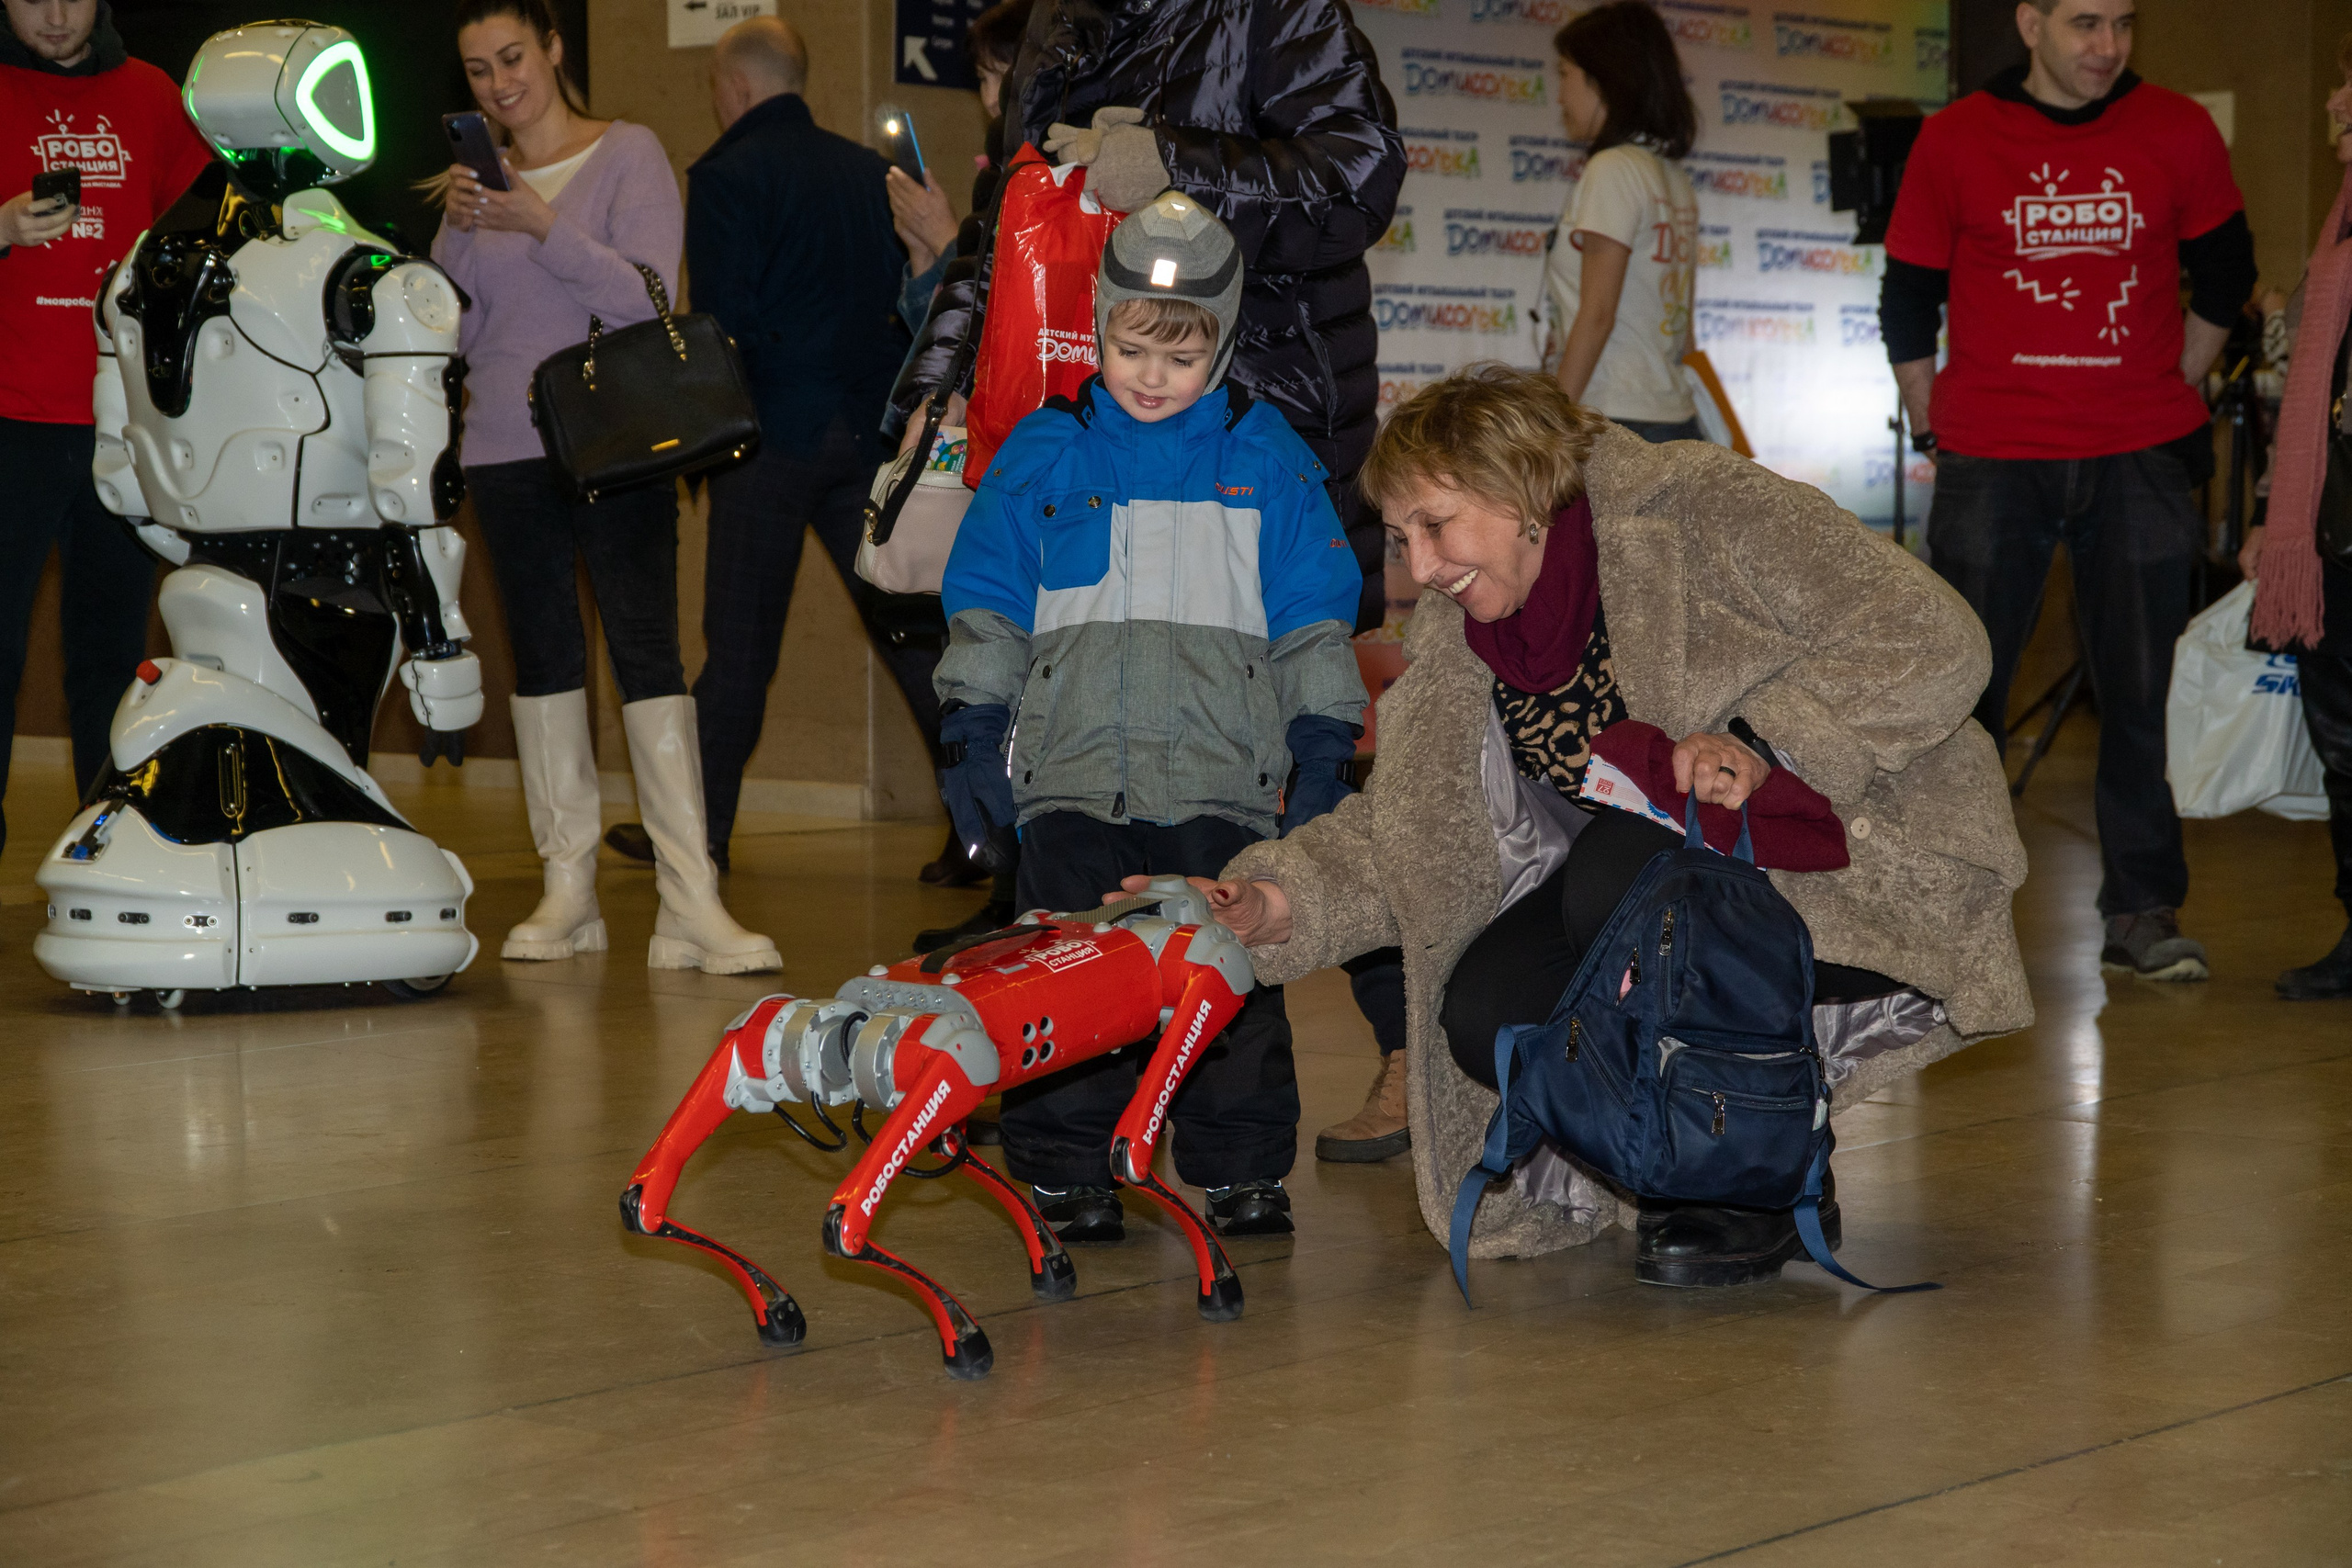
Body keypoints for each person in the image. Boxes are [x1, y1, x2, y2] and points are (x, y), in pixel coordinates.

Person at [1134, 364, 2030, 1286]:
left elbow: (1932, 634)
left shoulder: (1698, 507)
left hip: (1850, 846)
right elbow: (1407, 828)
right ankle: (1678, 1155)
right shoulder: (1456, 638)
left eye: (1433, 525)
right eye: (1401, 538)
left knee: (1622, 879)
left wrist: (1763, 745)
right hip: (1651, 885)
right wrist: (1276, 899)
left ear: (1517, 487)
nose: (1421, 566)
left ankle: (1749, 1179)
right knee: (1488, 1014)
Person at [935, 194, 1366, 1243]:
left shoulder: (1269, 462)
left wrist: (1320, 750)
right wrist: (970, 733)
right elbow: (987, 606)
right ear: (1101, 327)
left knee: (1230, 986)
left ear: (1220, 348)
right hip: (1073, 778)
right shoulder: (1045, 454)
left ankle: (1240, 1165)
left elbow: (1314, 624)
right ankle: (1064, 1165)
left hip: (1220, 779)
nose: (1152, 377)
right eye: (1133, 348)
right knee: (1066, 980)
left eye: (1181, 356)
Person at [1879, 0, 2256, 981]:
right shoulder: (1955, 136)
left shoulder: (2175, 127)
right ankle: (1948, 916)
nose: (2108, 46)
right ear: (2030, 21)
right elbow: (1908, 288)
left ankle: (2141, 911)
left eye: (2124, 23)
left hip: (2137, 455)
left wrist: (2176, 385)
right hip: (1992, 456)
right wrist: (1931, 417)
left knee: (2138, 695)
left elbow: (2226, 269)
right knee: (1965, 693)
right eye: (2085, 22)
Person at [430, 0, 777, 976]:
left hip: (614, 439)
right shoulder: (467, 188)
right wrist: (457, 235)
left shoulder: (628, 152)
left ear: (553, 51)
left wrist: (540, 223)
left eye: (513, 58)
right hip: (501, 446)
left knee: (645, 654)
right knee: (542, 664)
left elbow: (649, 298)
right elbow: (451, 328)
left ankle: (688, 899)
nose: (501, 84)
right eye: (478, 72)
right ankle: (568, 890)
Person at [599, 16, 930, 878]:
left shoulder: (725, 174)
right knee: (909, 633)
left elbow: (721, 331)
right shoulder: (871, 173)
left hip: (769, 443)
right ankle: (985, 832)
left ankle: (700, 836)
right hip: (863, 436)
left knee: (741, 650)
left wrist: (701, 457)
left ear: (734, 87)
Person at [0, 0, 209, 853]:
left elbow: (204, 229)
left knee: (111, 659)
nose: (54, 14)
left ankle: (105, 843)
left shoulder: (154, 96)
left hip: (121, 425)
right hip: (10, 419)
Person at [2236, 38, 2352, 1003]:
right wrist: (2273, 521)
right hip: (2328, 539)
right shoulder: (2338, 227)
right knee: (2345, 754)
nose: (2337, 98)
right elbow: (2303, 394)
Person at [1543, 1, 1702, 444]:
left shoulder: (1612, 169)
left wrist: (1548, 429)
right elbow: (1685, 329)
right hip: (1673, 414)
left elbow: (1597, 315)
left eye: (1564, 74)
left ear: (1604, 79)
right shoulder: (1671, 176)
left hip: (1614, 416)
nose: (1558, 94)